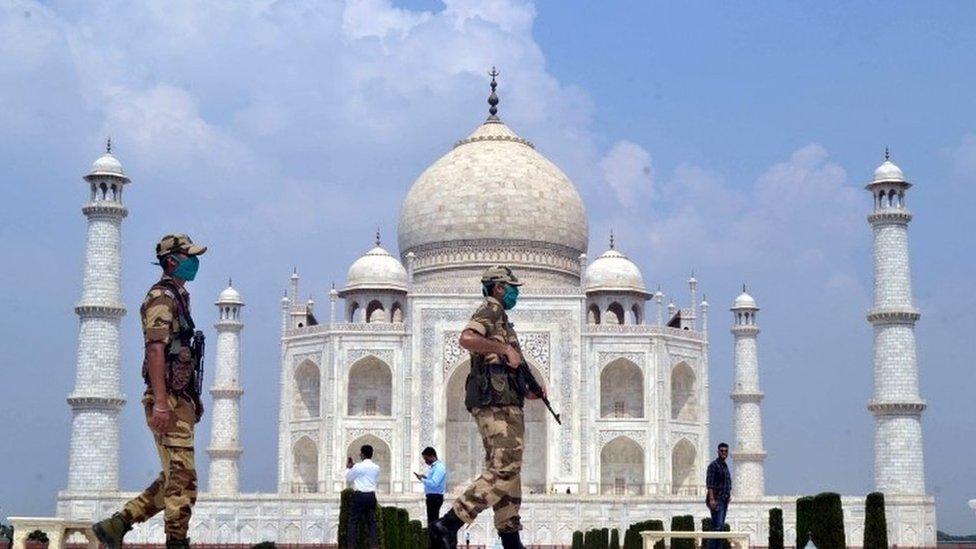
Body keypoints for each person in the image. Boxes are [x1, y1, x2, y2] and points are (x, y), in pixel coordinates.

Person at [93, 234, 207, 549]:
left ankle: (117, 524)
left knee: (177, 476)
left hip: (179, 398)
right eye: (188, 257)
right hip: (166, 398)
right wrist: (160, 402)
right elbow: (156, 350)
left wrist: (192, 398)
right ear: (172, 260)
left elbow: (179, 351)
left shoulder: (180, 297)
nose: (194, 262)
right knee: (182, 480)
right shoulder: (161, 297)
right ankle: (176, 542)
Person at [429, 266, 544, 549]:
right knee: (505, 469)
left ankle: (511, 541)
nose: (516, 293)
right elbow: (466, 339)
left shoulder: (504, 321)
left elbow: (504, 368)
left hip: (505, 404)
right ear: (499, 288)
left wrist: (529, 390)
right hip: (497, 407)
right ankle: (450, 522)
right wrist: (505, 350)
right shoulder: (491, 311)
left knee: (509, 474)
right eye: (512, 287)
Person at [346, 444, 381, 548]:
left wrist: (349, 468)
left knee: (353, 521)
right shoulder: (376, 467)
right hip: (371, 496)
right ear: (371, 454)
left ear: (362, 454)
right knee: (371, 522)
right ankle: (374, 546)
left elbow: (349, 478)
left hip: (359, 496)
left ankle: (351, 546)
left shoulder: (358, 466)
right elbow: (376, 481)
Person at [705, 442, 732, 549]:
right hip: (716, 500)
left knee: (720, 528)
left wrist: (728, 495)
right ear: (718, 452)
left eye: (726, 451)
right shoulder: (713, 465)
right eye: (722, 451)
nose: (724, 453)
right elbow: (710, 483)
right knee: (717, 527)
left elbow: (726, 482)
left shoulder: (724, 465)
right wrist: (712, 499)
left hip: (724, 499)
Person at [414, 447, 447, 529]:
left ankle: (435, 540)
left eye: (426, 458)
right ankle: (433, 539)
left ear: (432, 456)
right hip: (432, 497)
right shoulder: (433, 467)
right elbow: (432, 481)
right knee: (432, 521)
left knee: (433, 521)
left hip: (435, 497)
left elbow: (434, 483)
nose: (425, 461)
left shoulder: (439, 467)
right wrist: (425, 478)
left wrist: (421, 479)